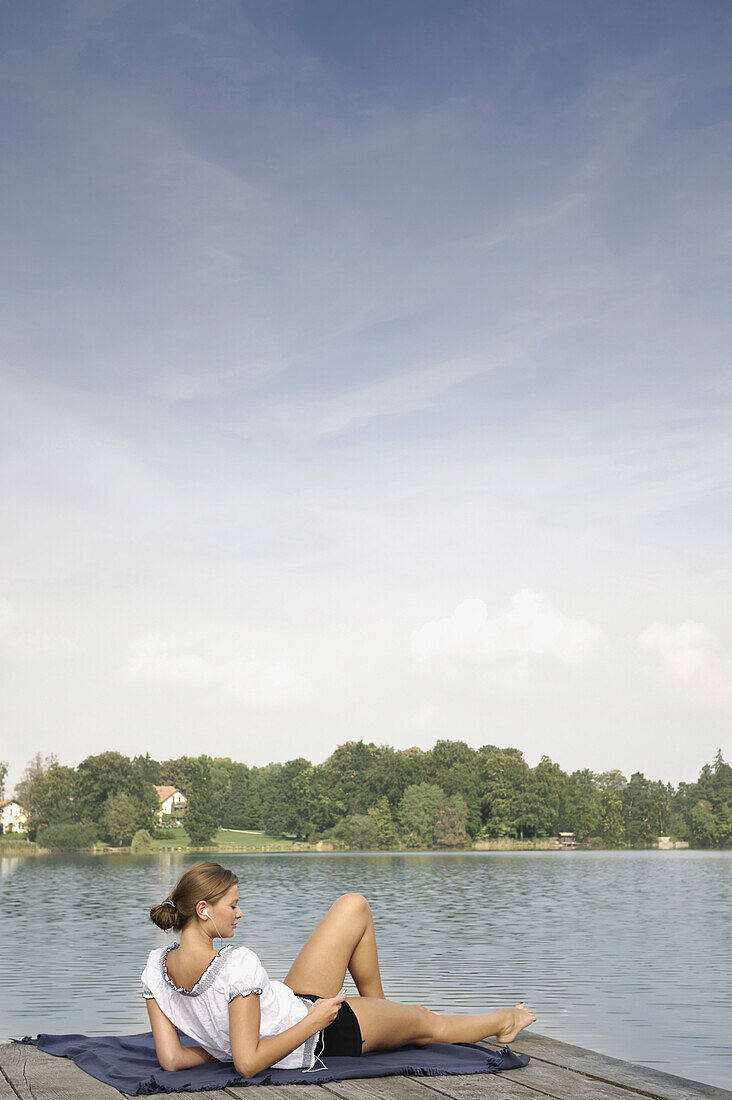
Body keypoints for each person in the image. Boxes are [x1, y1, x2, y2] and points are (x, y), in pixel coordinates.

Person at [142, 861, 536, 1079]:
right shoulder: (237, 964)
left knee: (353, 905)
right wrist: (314, 1022)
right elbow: (247, 1065)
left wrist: (219, 1049)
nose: (240, 912)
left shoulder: (154, 970)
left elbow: (173, 1060)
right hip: (322, 1029)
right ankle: (506, 1020)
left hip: (291, 1005)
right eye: (233, 905)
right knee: (427, 1021)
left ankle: (384, 1021)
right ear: (203, 910)